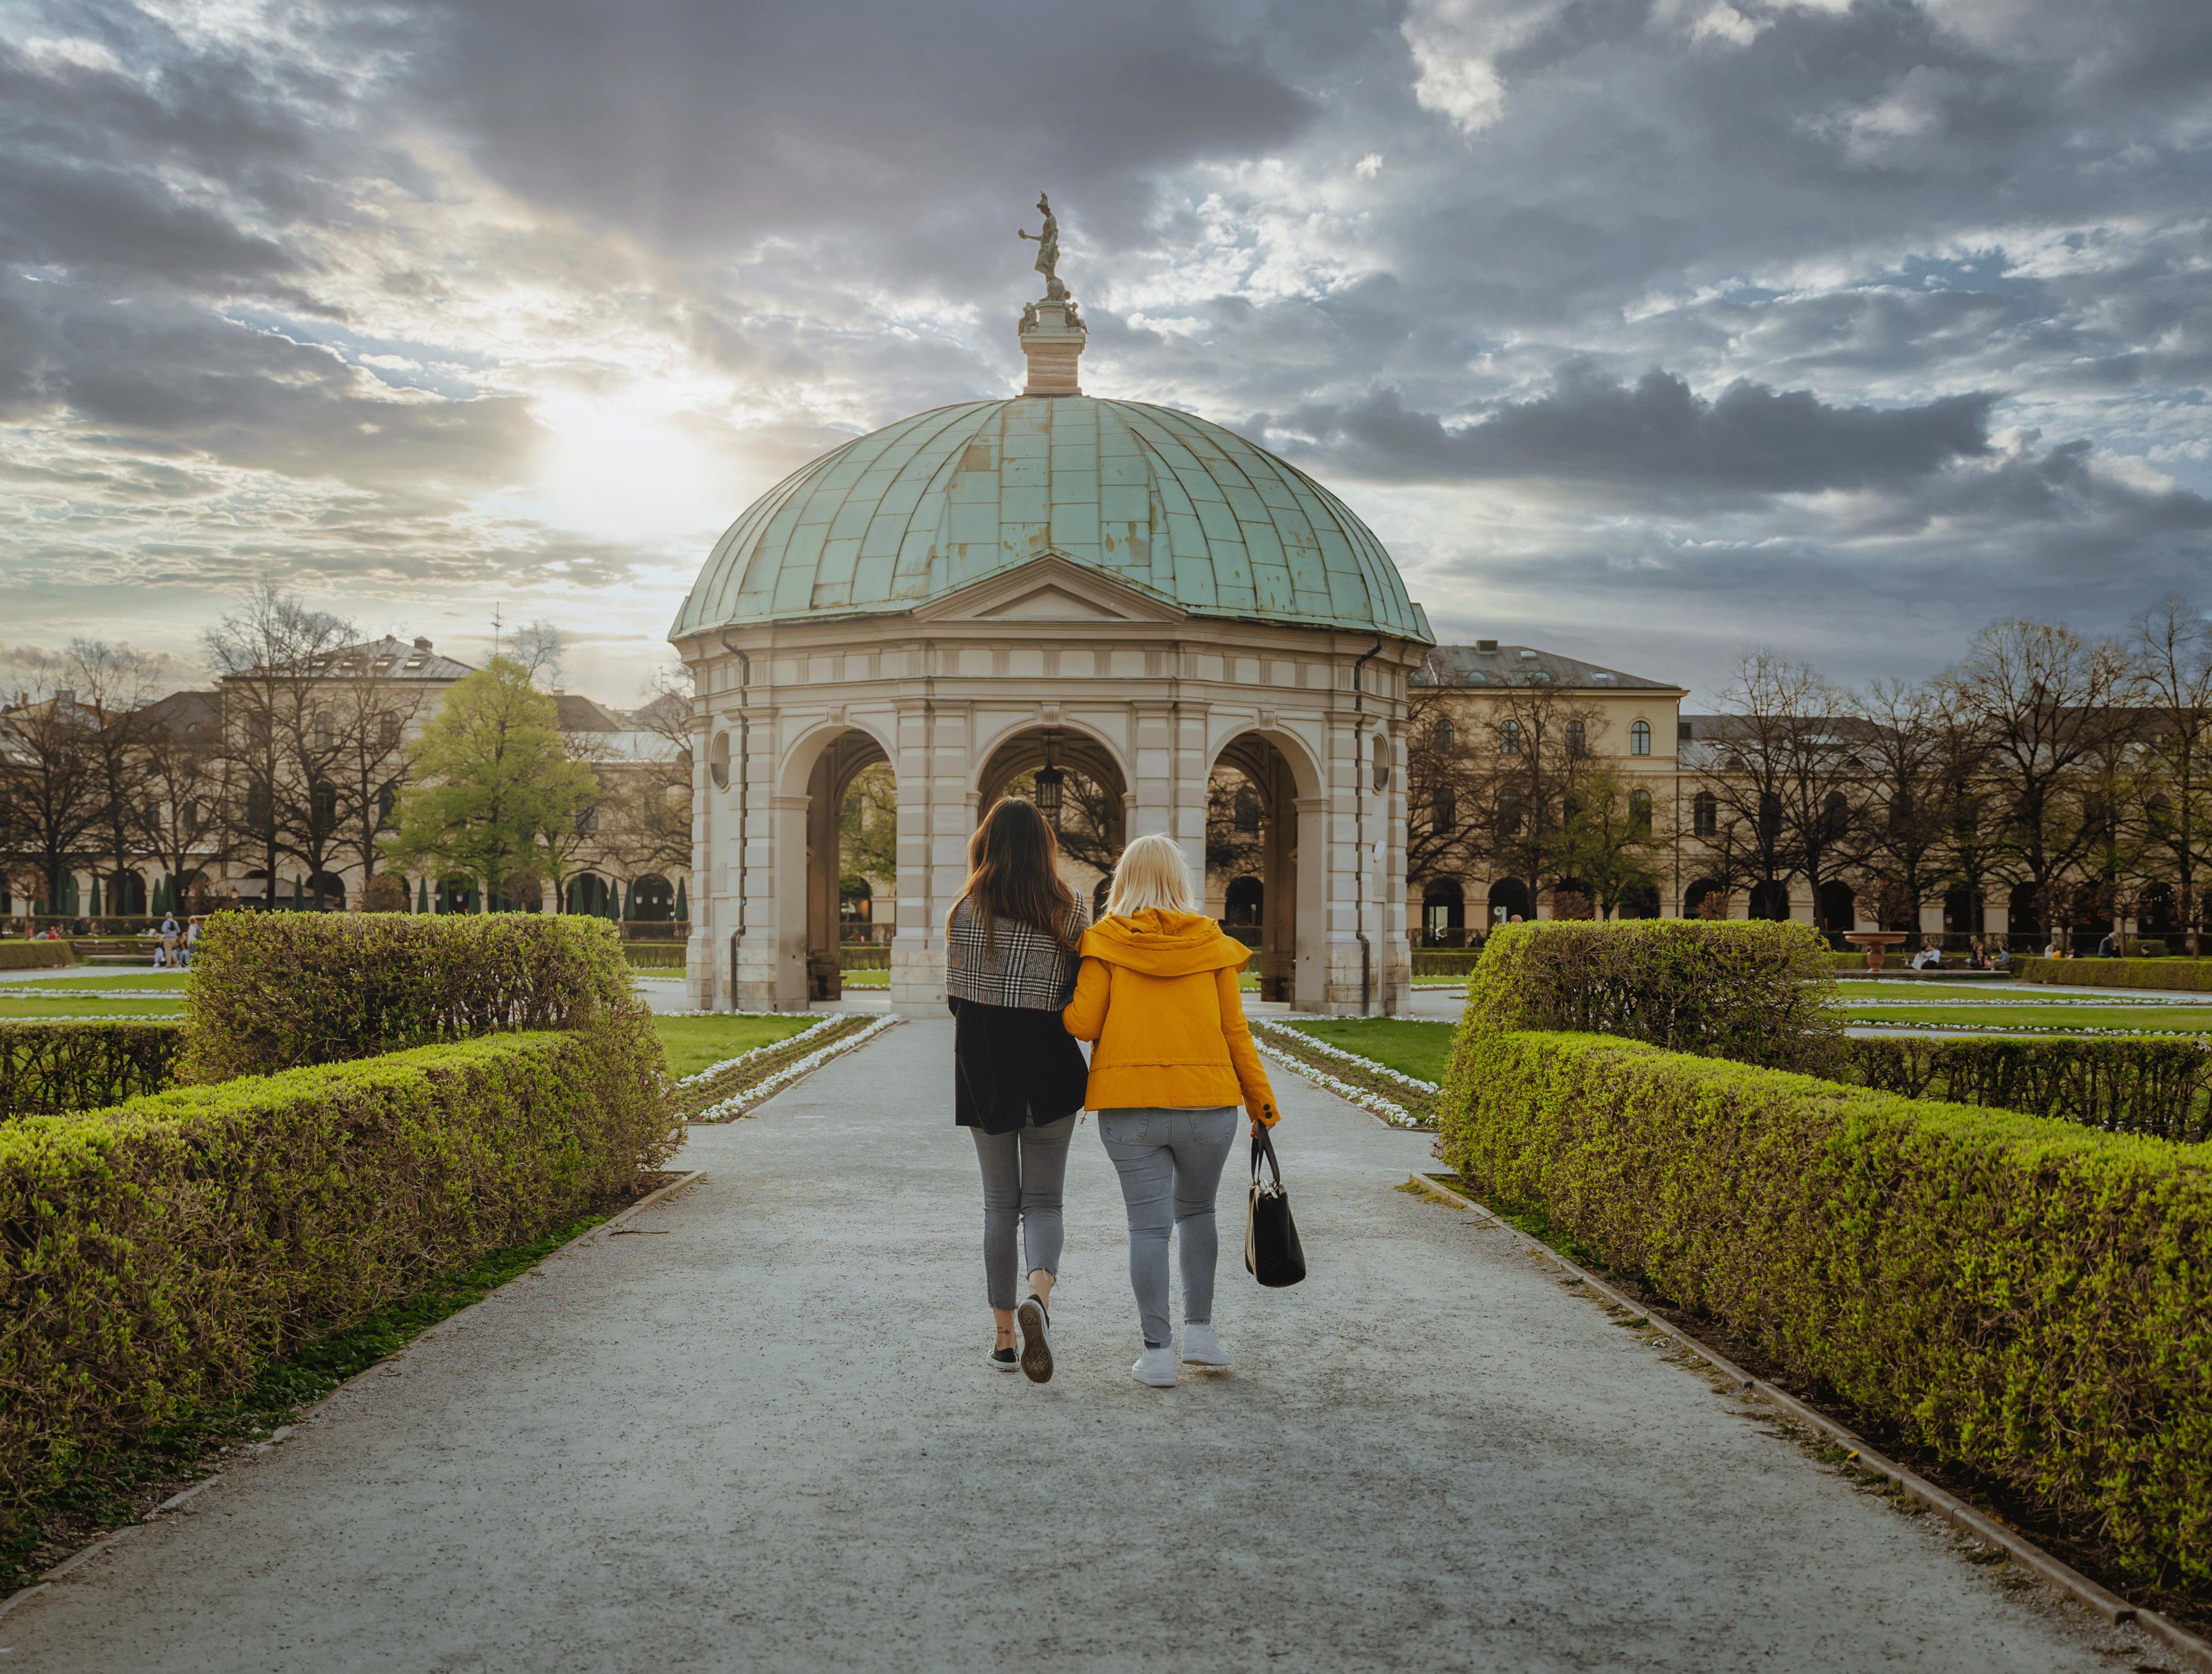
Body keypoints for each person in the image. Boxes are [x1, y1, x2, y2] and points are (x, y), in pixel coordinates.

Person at [1063, 834, 1280, 1390]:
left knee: (1148, 1226)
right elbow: (1237, 1031)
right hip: (1208, 1104)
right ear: (1179, 881)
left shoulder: (1105, 942)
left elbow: (1084, 1023)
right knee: (1198, 1214)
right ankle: (1201, 1331)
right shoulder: (1213, 943)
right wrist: (1261, 1103)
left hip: (1129, 1105)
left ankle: (1157, 1353)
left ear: (1124, 880)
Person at [945, 798, 1090, 1384]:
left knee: (999, 1205)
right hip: (1051, 1066)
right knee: (1046, 1202)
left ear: (987, 843)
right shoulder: (1070, 907)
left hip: (985, 1067)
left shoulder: (965, 911)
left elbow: (956, 999)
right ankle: (1040, 1294)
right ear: (1044, 847)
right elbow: (1082, 997)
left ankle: (1005, 1338)